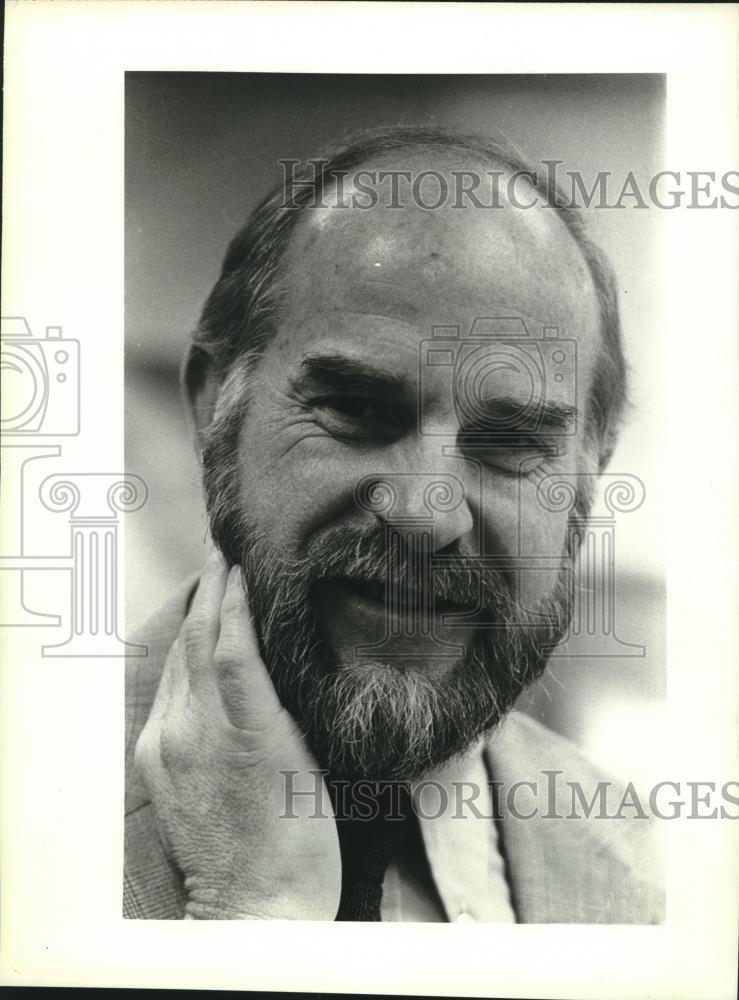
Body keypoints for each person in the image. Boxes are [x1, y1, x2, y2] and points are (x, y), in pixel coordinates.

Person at [124, 125, 663, 922]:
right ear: (214, 411)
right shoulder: (30, 795)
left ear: (592, 469)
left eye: (512, 441)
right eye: (355, 409)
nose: (426, 512)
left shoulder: (634, 869)